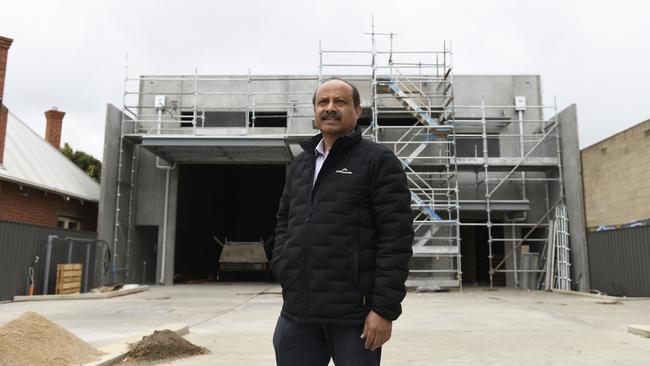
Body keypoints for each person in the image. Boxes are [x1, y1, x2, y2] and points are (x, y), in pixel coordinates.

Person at [270, 78, 414, 366]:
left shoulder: (378, 161)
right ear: (314, 111)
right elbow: (285, 221)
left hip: (354, 317)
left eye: (340, 102)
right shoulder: (301, 165)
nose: (330, 108)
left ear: (357, 111)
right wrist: (282, 263)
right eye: (323, 102)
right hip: (298, 314)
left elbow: (395, 238)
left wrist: (383, 310)